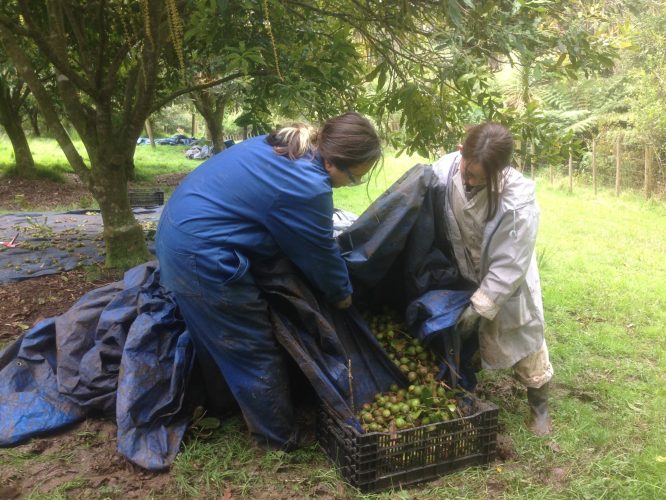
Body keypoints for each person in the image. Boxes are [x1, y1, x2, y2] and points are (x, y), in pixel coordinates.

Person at [155, 112, 382, 450]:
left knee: (218, 335)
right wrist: (342, 296)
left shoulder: (289, 145)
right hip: (201, 254)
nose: (349, 184)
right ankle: (276, 438)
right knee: (250, 343)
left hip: (182, 232)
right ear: (334, 162)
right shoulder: (308, 186)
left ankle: (226, 405)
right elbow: (320, 254)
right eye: (353, 178)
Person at [432, 122, 553, 435]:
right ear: (461, 151)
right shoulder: (444, 170)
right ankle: (463, 388)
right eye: (467, 172)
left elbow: (509, 264)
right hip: (465, 269)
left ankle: (539, 406)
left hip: (507, 281)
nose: (469, 180)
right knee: (465, 338)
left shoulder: (519, 202)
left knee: (523, 337)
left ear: (499, 171)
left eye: (478, 178)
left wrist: (482, 304)